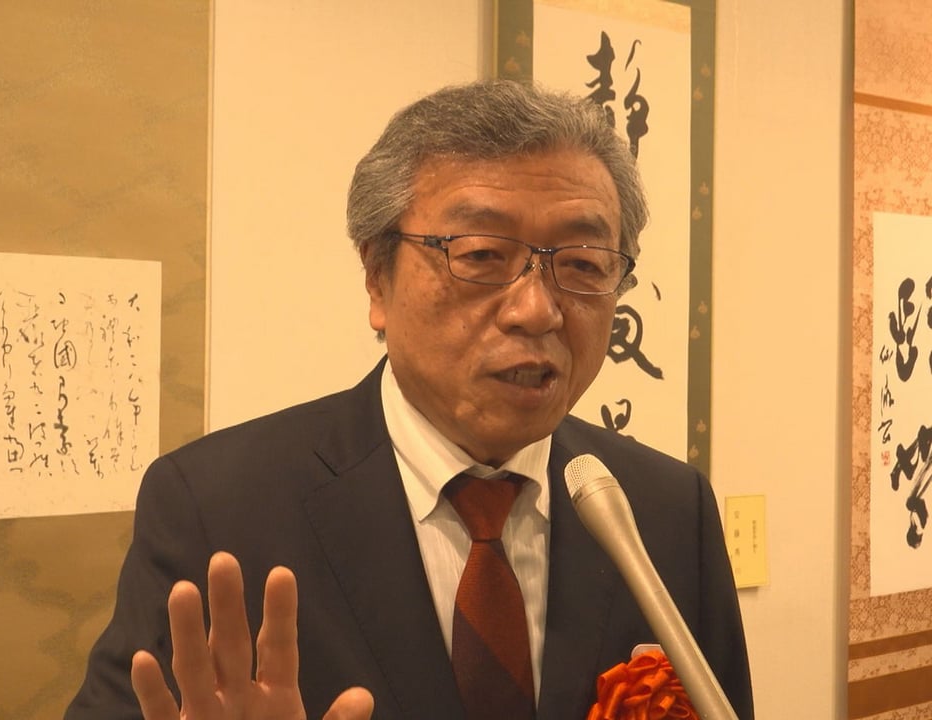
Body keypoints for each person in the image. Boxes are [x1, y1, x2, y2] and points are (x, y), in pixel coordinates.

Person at [65, 79, 753, 720]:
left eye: (581, 265)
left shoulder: (668, 510)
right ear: (377, 278)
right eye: (481, 255)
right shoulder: (217, 506)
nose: (537, 310)